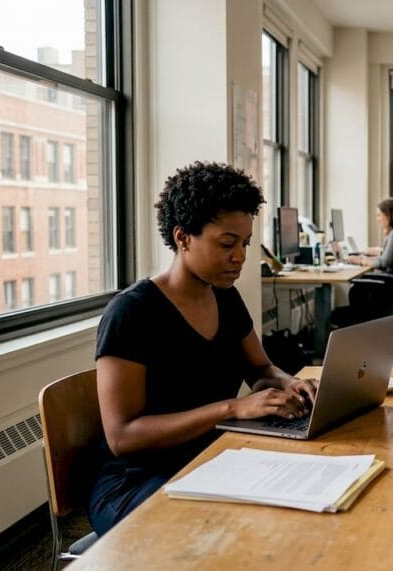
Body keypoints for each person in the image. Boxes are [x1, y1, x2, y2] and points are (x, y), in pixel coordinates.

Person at [89, 162, 318, 535]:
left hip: (211, 457)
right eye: (227, 243)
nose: (240, 256)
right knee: (242, 529)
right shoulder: (131, 312)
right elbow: (122, 437)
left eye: (245, 243)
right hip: (136, 480)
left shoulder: (225, 297)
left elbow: (260, 370)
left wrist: (288, 383)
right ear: (182, 238)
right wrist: (232, 408)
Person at [348, 198, 393, 287]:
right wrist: (367, 259)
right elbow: (386, 258)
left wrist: (361, 261)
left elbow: (384, 263)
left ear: (389, 216)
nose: (377, 219)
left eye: (379, 215)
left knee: (356, 286)